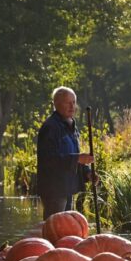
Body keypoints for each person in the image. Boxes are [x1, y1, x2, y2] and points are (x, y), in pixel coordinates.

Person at [36, 86, 96, 219]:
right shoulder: (50, 127)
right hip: (54, 188)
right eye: (67, 102)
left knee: (67, 228)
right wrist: (77, 159)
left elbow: (73, 155)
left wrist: (87, 173)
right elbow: (49, 160)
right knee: (55, 228)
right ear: (56, 104)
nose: (72, 106)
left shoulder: (72, 126)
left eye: (74, 102)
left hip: (68, 186)